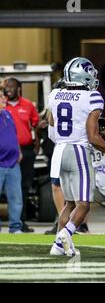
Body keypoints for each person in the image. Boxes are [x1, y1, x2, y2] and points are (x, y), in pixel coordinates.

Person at [48, 57, 105, 256]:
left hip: (59, 151)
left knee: (69, 203)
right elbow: (93, 137)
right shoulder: (92, 97)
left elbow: (52, 129)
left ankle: (57, 246)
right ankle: (66, 234)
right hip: (78, 150)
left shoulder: (55, 94)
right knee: (84, 204)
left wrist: (63, 140)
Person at [4, 77, 39, 233]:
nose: (8, 90)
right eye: (6, 87)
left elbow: (35, 126)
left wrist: (36, 145)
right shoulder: (3, 108)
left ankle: (20, 223)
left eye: (11, 87)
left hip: (23, 152)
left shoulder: (28, 105)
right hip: (3, 156)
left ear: (19, 88)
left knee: (22, 188)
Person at [0, 90, 23, 234]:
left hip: (13, 164)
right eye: (1, 97)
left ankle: (15, 227)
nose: (4, 99)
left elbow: (14, 134)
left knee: (16, 198)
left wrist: (19, 151)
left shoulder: (7, 114)